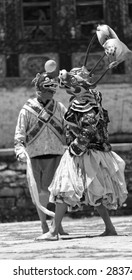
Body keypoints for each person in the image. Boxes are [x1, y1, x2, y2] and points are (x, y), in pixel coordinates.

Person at [36, 24, 130, 241]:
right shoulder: (89, 98)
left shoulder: (84, 104)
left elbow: (87, 130)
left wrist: (75, 149)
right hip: (93, 153)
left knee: (63, 190)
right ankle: (108, 227)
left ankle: (53, 231)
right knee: (94, 192)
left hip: (83, 153)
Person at [14, 62, 68, 236]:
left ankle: (57, 225)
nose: (51, 93)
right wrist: (20, 150)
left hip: (57, 154)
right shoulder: (27, 110)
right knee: (41, 193)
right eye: (48, 90)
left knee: (60, 192)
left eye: (52, 91)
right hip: (35, 156)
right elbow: (20, 134)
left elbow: (69, 126)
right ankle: (44, 224)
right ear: (39, 90)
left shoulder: (59, 107)